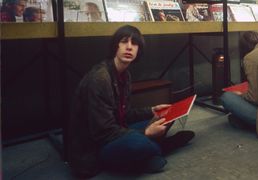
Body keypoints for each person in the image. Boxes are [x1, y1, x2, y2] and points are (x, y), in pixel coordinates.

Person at [66, 25, 195, 178]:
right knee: (139, 144)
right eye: (124, 42)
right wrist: (146, 133)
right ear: (116, 45)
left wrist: (152, 110)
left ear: (139, 50)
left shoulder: (124, 75)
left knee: (165, 116)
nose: (129, 47)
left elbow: (124, 114)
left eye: (134, 44)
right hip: (96, 145)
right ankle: (161, 147)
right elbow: (103, 132)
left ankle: (149, 151)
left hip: (117, 129)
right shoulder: (100, 78)